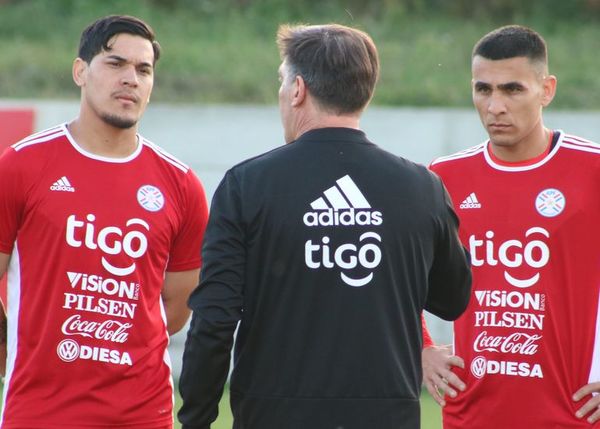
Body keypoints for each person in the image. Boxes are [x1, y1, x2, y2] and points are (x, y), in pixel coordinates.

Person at [178, 23, 471, 429]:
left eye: (282, 82)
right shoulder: (422, 187)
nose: (281, 94)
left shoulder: (248, 185)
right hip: (387, 415)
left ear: (297, 89)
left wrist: (196, 417)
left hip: (274, 415)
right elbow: (452, 298)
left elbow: (214, 319)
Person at [0, 15, 208, 428]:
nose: (130, 78)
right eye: (115, 64)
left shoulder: (181, 184)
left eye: (143, 70)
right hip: (39, 412)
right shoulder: (21, 166)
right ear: (80, 71)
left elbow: (179, 304)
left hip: (142, 414)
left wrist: (113, 345)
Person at [422, 24, 600, 428]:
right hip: (471, 415)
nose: (495, 105)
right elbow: (398, 272)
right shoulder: (445, 176)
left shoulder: (592, 170)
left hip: (572, 416)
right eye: (483, 89)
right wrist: (422, 348)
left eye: (512, 89)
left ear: (547, 89)